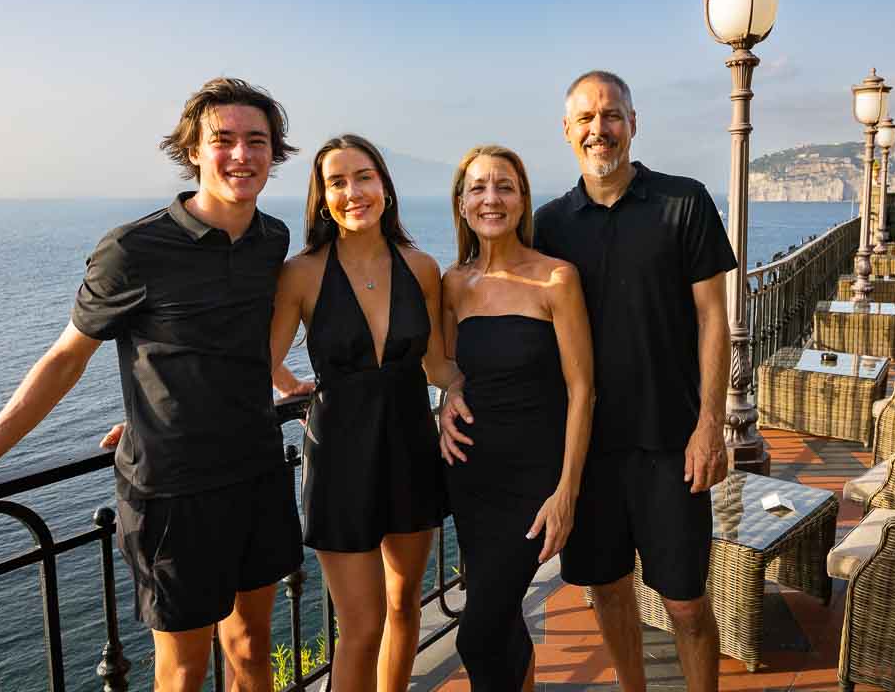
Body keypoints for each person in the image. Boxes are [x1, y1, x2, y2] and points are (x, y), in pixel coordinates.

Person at [0, 78, 305, 692]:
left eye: (257, 141)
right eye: (223, 140)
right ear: (193, 149)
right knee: (183, 671)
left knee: (250, 648)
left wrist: (283, 380)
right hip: (173, 492)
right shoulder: (133, 248)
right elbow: (65, 358)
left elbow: (244, 330)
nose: (241, 155)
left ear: (274, 154)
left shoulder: (270, 239)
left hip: (256, 471)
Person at [442, 71, 736, 691]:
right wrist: (451, 391)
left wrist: (711, 422)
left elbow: (715, 318)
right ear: (568, 131)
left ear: (633, 122)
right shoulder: (550, 223)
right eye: (585, 119)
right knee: (605, 589)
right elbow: (505, 319)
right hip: (584, 451)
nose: (598, 129)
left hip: (669, 440)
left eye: (611, 116)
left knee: (684, 601)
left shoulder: (684, 202)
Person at [267, 134, 471, 692]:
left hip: (410, 447)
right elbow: (256, 362)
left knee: (405, 603)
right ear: (322, 196)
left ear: (385, 186)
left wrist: (473, 390)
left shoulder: (422, 267)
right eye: (337, 182)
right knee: (361, 625)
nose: (352, 192)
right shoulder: (301, 273)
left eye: (364, 177)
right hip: (339, 458)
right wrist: (285, 382)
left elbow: (437, 367)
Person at [439, 145, 593, 691]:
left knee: (474, 634)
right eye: (478, 187)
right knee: (499, 614)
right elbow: (443, 361)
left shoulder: (557, 279)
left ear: (522, 199)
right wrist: (449, 393)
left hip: (536, 480)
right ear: (462, 205)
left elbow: (582, 389)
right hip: (473, 473)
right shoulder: (454, 282)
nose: (491, 198)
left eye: (504, 186)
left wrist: (566, 492)